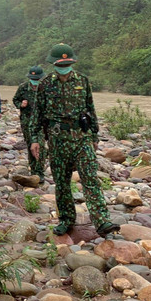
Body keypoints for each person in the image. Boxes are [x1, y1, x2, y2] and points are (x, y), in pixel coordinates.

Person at [30, 44, 119, 237]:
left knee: (90, 179)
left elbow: (90, 109)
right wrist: (35, 140)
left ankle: (102, 220)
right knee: (62, 182)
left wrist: (94, 135)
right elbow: (37, 116)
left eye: (68, 63)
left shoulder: (83, 81)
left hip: (82, 138)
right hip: (57, 140)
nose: (65, 66)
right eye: (61, 64)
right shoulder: (45, 84)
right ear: (53, 64)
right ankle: (66, 220)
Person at [13, 66, 46, 181]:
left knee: (40, 145)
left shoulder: (45, 88)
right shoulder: (23, 88)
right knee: (30, 145)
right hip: (27, 121)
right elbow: (15, 100)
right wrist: (21, 104)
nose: (35, 81)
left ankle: (40, 172)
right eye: (33, 79)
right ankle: (33, 170)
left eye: (37, 79)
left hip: (41, 122)